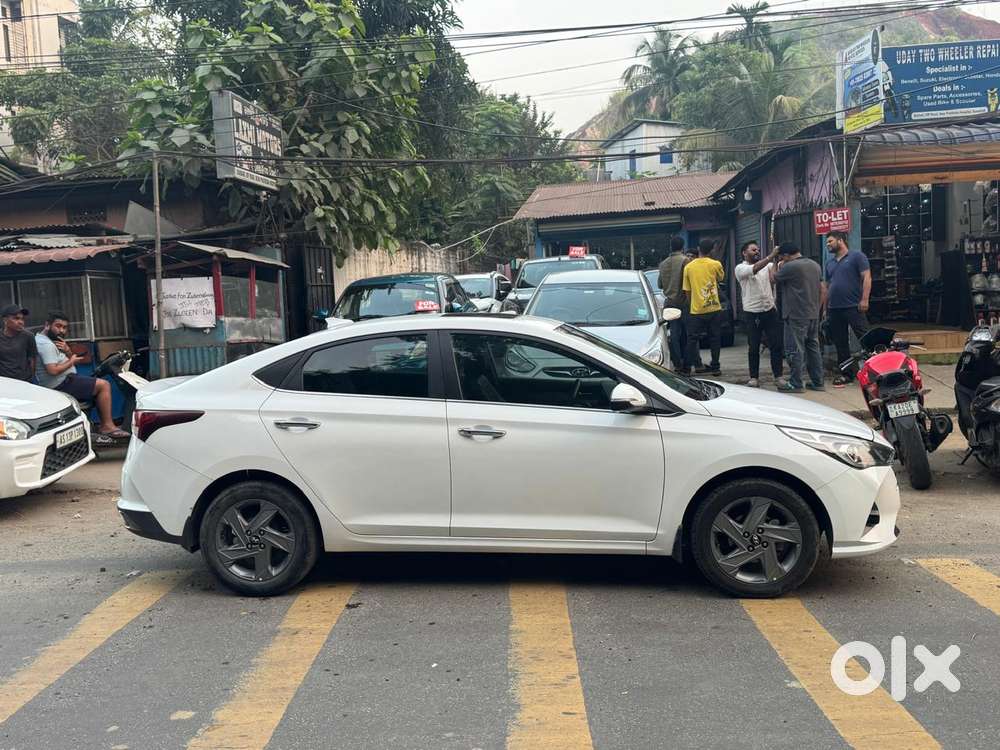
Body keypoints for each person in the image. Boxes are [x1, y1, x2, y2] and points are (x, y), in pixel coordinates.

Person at [35, 311, 127, 438]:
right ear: (47, 325)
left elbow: (63, 360)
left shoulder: (52, 341)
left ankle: (94, 425)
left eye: (64, 327)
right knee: (104, 385)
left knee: (95, 383)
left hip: (67, 379)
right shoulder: (46, 344)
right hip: (60, 384)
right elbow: (53, 370)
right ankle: (107, 426)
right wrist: (71, 361)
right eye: (58, 326)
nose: (61, 330)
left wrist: (67, 351)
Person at [822, 230, 871, 387]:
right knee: (840, 342)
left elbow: (867, 278)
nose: (828, 245)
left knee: (866, 339)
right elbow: (827, 287)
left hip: (853, 306)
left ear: (840, 240)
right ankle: (847, 374)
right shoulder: (830, 263)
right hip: (834, 308)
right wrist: (825, 308)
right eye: (827, 242)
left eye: (830, 241)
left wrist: (864, 299)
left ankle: (875, 372)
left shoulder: (857, 257)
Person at [774, 242, 825, 394]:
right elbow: (822, 288)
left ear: (786, 255)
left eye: (782, 257)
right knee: (813, 347)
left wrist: (775, 262)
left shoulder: (790, 266)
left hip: (795, 314)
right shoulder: (815, 265)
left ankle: (796, 383)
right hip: (813, 313)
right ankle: (818, 382)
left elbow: (772, 278)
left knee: (795, 349)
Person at [734, 241, 785, 388]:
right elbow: (754, 269)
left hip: (769, 310)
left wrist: (775, 261)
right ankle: (754, 377)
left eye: (758, 250)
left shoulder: (767, 265)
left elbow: (773, 279)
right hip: (752, 312)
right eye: (753, 250)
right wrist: (771, 256)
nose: (757, 252)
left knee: (776, 345)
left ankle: (778, 377)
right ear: (744, 252)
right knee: (754, 346)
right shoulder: (740, 268)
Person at [682, 238, 725, 376]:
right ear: (712, 250)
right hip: (714, 308)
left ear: (698, 249)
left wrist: (691, 304)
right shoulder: (715, 264)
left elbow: (687, 290)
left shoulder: (689, 267)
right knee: (715, 338)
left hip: (696, 309)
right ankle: (716, 367)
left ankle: (687, 368)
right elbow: (720, 278)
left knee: (692, 339)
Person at [658, 236, 692, 371]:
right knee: (689, 335)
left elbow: (660, 284)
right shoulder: (686, 261)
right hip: (684, 302)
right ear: (682, 246)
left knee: (674, 335)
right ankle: (687, 366)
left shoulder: (663, 263)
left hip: (670, 303)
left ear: (670, 247)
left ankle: (677, 365)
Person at [0, 304, 37, 382]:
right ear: (5, 320)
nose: (21, 322)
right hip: (4, 382)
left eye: (22, 319)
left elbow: (32, 359)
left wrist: (31, 379)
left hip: (25, 381)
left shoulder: (28, 336)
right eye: (16, 318)